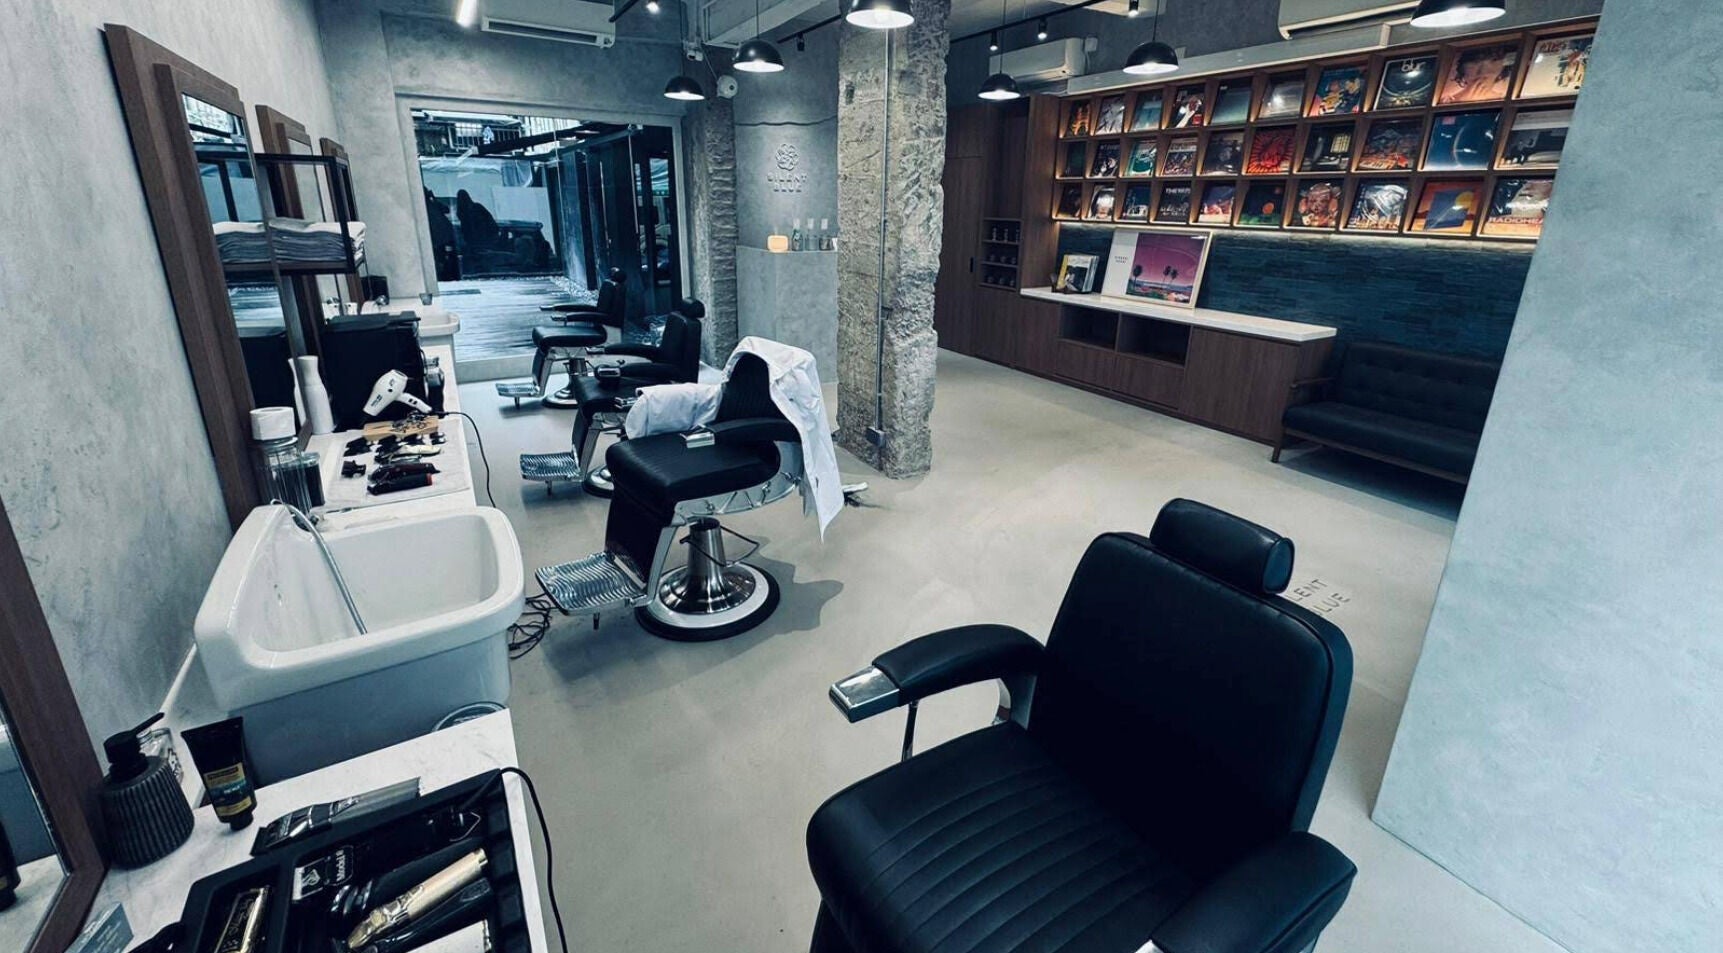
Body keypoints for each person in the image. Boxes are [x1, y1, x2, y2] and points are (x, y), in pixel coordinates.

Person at [425, 188, 460, 281]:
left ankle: (446, 276)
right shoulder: (432, 204)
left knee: (442, 258)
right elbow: (446, 209)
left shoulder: (428, 206)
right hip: (444, 236)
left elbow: (446, 209)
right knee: (446, 258)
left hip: (438, 237)